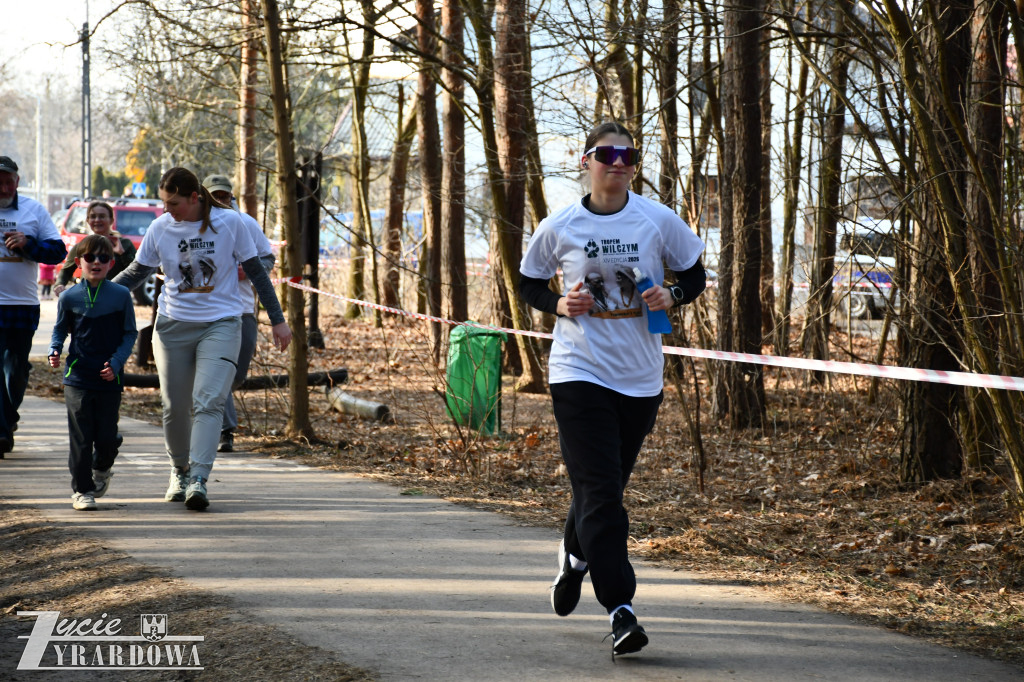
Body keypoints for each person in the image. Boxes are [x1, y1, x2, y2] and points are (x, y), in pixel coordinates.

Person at [518, 122, 706, 656]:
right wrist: (558, 304)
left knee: (603, 490)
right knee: (601, 493)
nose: (618, 162)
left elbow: (694, 274)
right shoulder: (562, 224)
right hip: (579, 370)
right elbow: (529, 280)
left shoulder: (655, 219)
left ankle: (574, 557)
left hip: (640, 377)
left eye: (628, 154)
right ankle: (621, 609)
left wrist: (673, 294)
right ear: (587, 161)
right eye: (608, 153)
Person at [113, 167, 291, 511]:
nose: (168, 210)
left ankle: (198, 478)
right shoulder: (160, 227)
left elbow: (257, 270)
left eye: (174, 203)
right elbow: (138, 272)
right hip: (173, 325)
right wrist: (97, 294)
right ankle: (179, 469)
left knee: (208, 400)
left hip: (221, 323)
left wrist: (279, 320)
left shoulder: (230, 223)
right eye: (164, 203)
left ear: (195, 198)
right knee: (175, 407)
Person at [48, 234, 138, 511]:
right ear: (79, 262)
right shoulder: (69, 297)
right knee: (81, 435)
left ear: (111, 263)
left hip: (110, 375)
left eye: (103, 258)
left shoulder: (121, 296)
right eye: (90, 257)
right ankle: (82, 490)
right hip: (78, 376)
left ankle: (103, 464)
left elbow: (129, 333)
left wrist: (117, 362)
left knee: (106, 436)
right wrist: (55, 349)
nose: (96, 262)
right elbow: (61, 329)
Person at [201, 173, 275, 454]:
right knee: (217, 372)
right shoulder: (195, 226)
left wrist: (249, 270)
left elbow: (267, 257)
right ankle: (224, 430)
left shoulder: (245, 223)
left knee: (237, 375)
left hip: (242, 309)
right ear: (203, 197)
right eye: (214, 196)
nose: (221, 201)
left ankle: (213, 415)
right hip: (207, 311)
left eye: (225, 195)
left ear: (232, 197)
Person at [0, 155, 68, 457]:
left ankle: (7, 417)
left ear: (17, 181)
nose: (2, 187)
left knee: (16, 370)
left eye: (7, 181)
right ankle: (2, 430)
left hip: (22, 303)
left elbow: (57, 252)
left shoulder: (33, 210)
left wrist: (27, 244)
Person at [53, 201, 137, 296]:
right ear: (88, 220)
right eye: (93, 216)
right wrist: (59, 284)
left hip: (115, 299)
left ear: (111, 220)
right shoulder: (82, 246)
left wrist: (122, 253)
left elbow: (136, 273)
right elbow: (66, 270)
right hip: (87, 298)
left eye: (102, 216)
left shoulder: (125, 244)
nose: (97, 220)